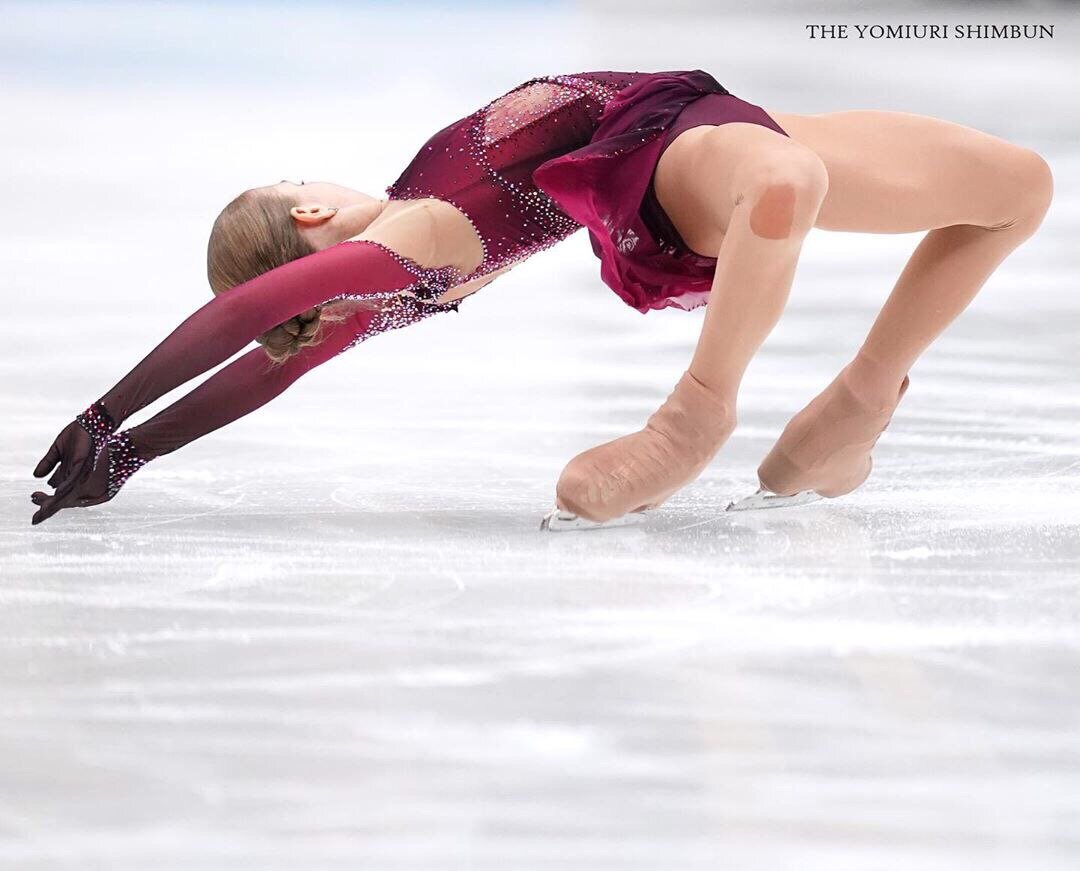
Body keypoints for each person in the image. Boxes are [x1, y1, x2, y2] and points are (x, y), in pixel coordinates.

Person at [30, 69, 1053, 528]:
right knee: (785, 185)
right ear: (301, 216)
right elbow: (253, 323)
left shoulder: (393, 280)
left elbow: (267, 362)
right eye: (299, 180)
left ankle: (861, 402)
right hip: (662, 158)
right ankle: (698, 410)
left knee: (1017, 187)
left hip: (704, 111)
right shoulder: (403, 243)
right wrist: (107, 418)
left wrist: (139, 447)